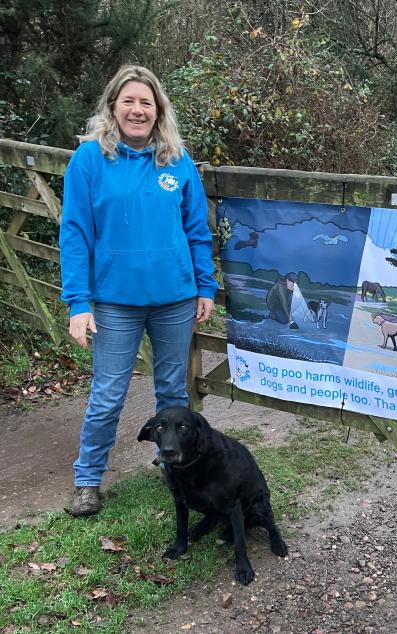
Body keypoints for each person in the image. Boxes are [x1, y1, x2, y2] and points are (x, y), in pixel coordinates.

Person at [59, 65, 219, 516]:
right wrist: (78, 301)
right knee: (108, 393)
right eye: (128, 100)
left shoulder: (177, 159)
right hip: (114, 302)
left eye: (146, 102)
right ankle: (88, 479)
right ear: (112, 106)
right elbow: (74, 233)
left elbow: (196, 231)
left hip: (174, 298)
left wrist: (205, 286)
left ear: (158, 110)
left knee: (172, 391)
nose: (137, 109)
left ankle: (173, 467)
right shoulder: (89, 159)